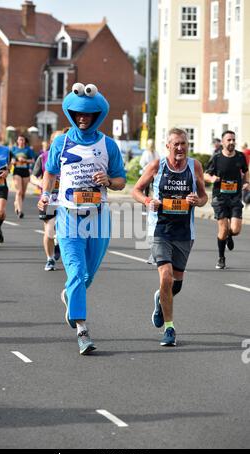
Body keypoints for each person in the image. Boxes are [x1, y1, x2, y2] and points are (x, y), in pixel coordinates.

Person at [38, 82, 126, 355]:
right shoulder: (60, 142)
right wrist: (44, 194)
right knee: (75, 271)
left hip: (98, 218)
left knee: (87, 275)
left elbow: (121, 181)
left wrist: (109, 181)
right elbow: (51, 172)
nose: (83, 118)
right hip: (68, 216)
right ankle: (82, 330)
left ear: (98, 114)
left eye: (88, 114)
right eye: (78, 114)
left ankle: (70, 294)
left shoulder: (108, 145)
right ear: (72, 114)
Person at [132, 128, 207, 347]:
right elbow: (136, 190)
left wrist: (197, 200)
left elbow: (204, 197)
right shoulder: (157, 166)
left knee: (176, 285)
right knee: (165, 277)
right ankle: (170, 328)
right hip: (161, 230)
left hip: (185, 232)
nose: (181, 148)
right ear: (168, 146)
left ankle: (159, 300)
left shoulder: (195, 167)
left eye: (184, 143)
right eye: (176, 144)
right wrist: (148, 202)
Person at [204, 130, 249, 269]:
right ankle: (221, 258)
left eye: (233, 140)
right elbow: (206, 174)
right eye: (228, 140)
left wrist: (246, 182)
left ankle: (230, 236)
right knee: (222, 230)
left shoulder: (240, 156)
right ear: (223, 142)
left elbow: (245, 171)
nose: (232, 142)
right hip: (220, 198)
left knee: (235, 230)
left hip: (235, 197)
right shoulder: (216, 158)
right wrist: (212, 178)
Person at [30, 130, 62, 271]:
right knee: (49, 231)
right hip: (48, 200)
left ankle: (59, 244)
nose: (60, 143)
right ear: (51, 142)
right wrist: (40, 183)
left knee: (65, 231)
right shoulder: (43, 157)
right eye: (57, 140)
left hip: (67, 200)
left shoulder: (71, 157)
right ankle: (50, 259)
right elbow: (33, 176)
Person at [11, 135, 35, 218]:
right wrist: (13, 161)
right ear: (17, 141)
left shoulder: (28, 149)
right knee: (19, 191)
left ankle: (16, 203)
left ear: (24, 141)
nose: (21, 141)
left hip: (25, 171)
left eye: (22, 139)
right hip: (17, 170)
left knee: (23, 193)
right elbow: (10, 160)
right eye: (19, 139)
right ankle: (20, 211)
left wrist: (25, 160)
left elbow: (32, 160)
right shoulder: (13, 149)